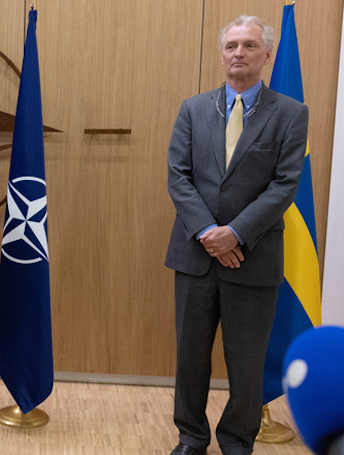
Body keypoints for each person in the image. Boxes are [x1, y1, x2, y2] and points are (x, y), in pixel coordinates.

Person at [165, 15, 308, 455]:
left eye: (248, 46)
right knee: (191, 359)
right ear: (222, 53)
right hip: (195, 255)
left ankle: (236, 441)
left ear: (266, 54)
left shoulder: (290, 113)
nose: (238, 54)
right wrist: (211, 232)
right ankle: (191, 437)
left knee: (246, 363)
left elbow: (285, 184)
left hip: (253, 257)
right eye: (231, 46)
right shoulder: (192, 108)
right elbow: (178, 176)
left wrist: (236, 234)